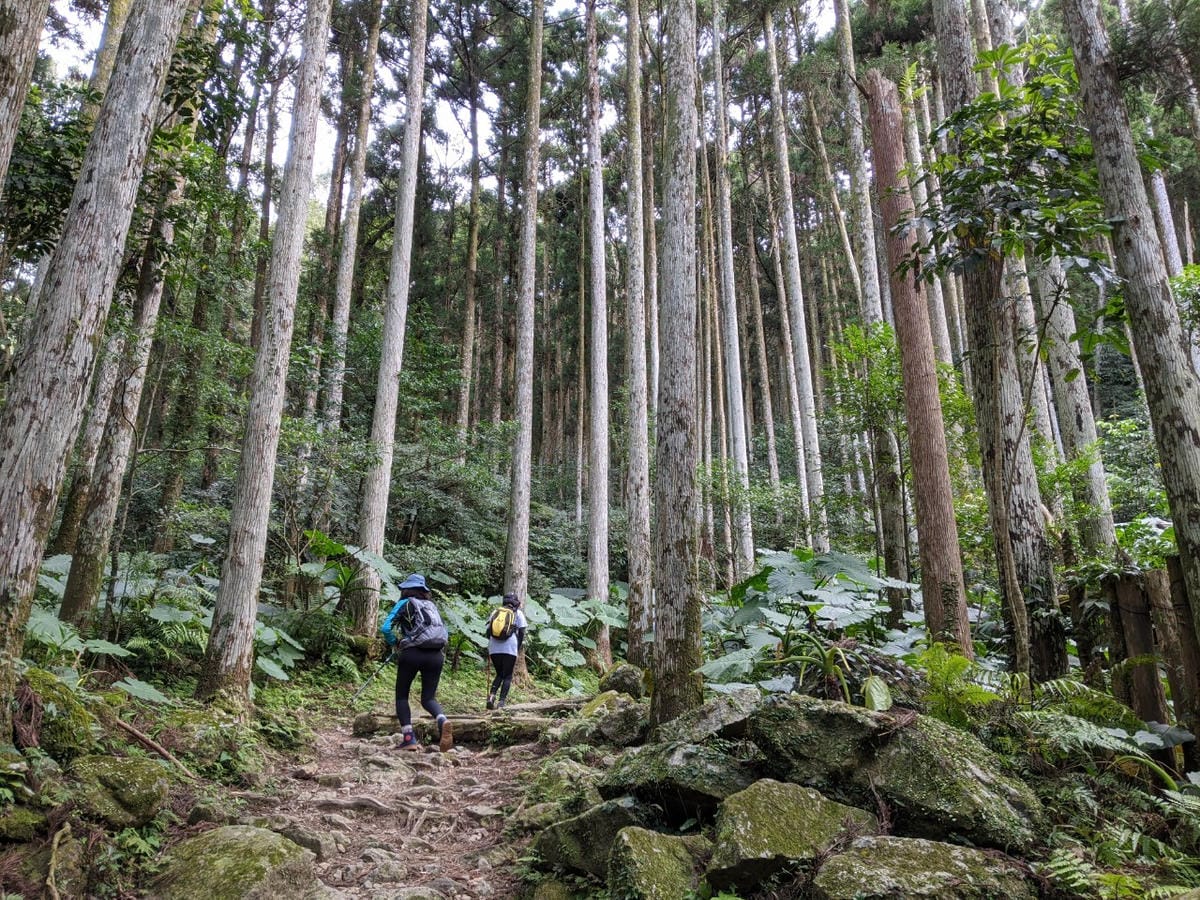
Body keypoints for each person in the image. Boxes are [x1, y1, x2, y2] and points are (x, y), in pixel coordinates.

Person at [381, 573, 453, 751]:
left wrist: (396, 642)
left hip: (412, 653)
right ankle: (442, 719)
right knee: (428, 698)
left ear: (406, 589)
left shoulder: (405, 603)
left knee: (402, 696)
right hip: (436, 655)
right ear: (424, 591)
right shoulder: (431, 606)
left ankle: (409, 739)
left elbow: (385, 628)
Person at [485, 592, 527, 710]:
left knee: (499, 673)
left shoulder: (495, 612)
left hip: (494, 648)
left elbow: (488, 631)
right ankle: (501, 702)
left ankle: (492, 696)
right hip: (510, 647)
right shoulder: (518, 613)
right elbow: (522, 632)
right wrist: (517, 647)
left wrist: (491, 644)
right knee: (507, 676)